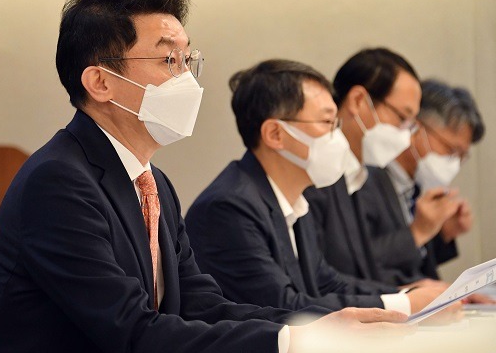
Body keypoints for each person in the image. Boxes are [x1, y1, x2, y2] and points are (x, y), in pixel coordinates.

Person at [0, 0, 406, 353]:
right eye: (168, 61)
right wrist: (291, 345)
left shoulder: (154, 183)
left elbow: (200, 305)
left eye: (188, 59)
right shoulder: (58, 181)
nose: (186, 79)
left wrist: (318, 327)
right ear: (100, 82)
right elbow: (131, 332)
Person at [185, 59, 443, 315]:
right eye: (328, 123)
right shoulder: (229, 207)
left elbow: (327, 281)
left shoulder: (295, 200)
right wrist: (404, 305)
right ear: (275, 134)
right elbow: (283, 307)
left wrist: (405, 295)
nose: (337, 137)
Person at [358, 79, 485, 281]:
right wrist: (418, 232)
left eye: (461, 156)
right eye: (451, 150)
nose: (454, 163)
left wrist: (443, 233)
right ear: (416, 127)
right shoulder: (364, 179)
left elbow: (415, 265)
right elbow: (355, 263)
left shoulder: (416, 186)